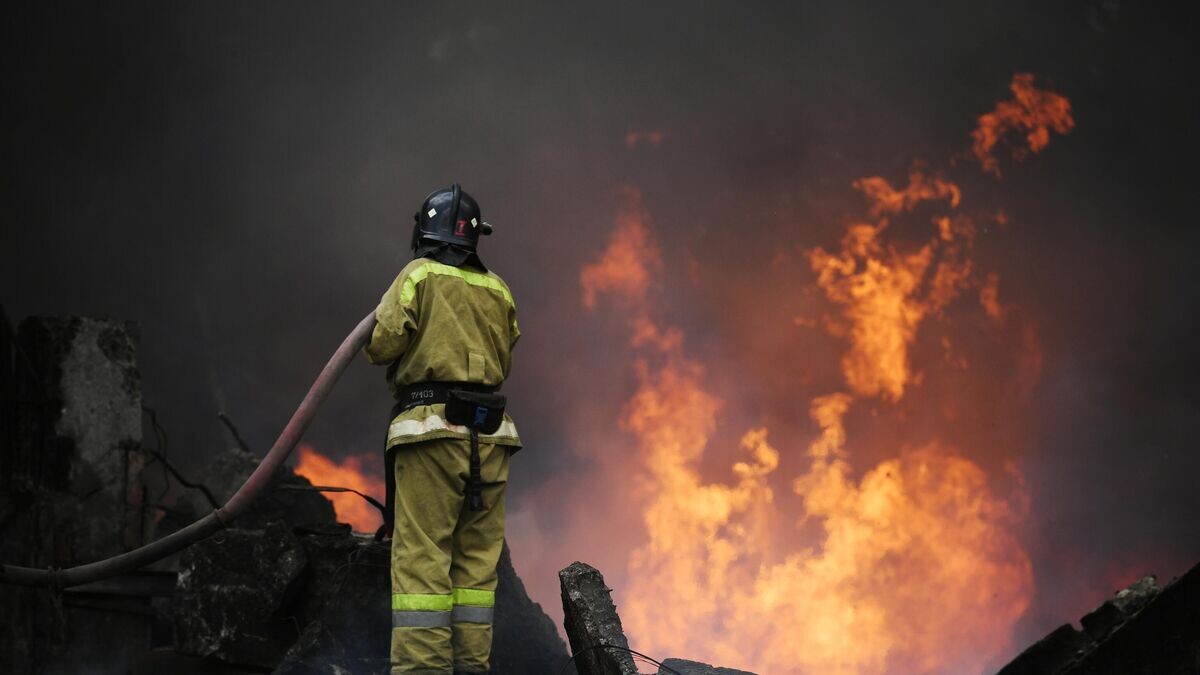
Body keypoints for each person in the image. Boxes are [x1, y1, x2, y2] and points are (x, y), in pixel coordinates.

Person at [363, 184, 521, 675]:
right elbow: (507, 352)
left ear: (423, 230)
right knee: (475, 572)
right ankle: (472, 669)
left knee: (422, 565)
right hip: (490, 436)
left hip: (431, 434)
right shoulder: (499, 289)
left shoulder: (418, 276)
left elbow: (382, 343)